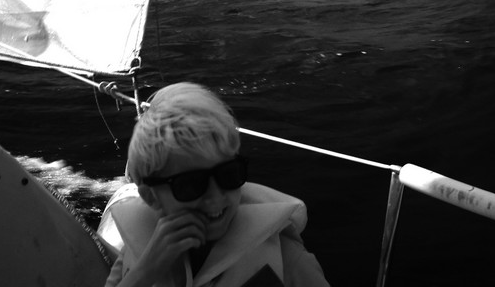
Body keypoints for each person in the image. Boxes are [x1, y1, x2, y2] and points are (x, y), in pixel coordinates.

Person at [100, 82, 330, 287]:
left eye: (228, 174)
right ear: (152, 198)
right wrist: (144, 274)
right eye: (191, 184)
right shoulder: (137, 252)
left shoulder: (288, 261)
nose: (216, 196)